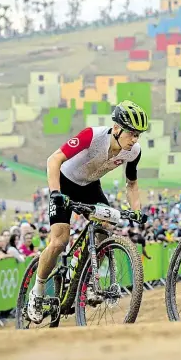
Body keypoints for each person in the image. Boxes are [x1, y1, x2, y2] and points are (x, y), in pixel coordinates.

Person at [27, 100, 149, 323]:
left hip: (90, 187)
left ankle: (88, 279)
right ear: (116, 129)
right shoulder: (92, 136)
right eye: (131, 133)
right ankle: (37, 291)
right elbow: (54, 160)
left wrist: (137, 211)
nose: (134, 139)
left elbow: (131, 184)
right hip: (64, 183)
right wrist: (55, 193)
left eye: (138, 135)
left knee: (105, 225)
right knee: (59, 241)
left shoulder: (134, 152)